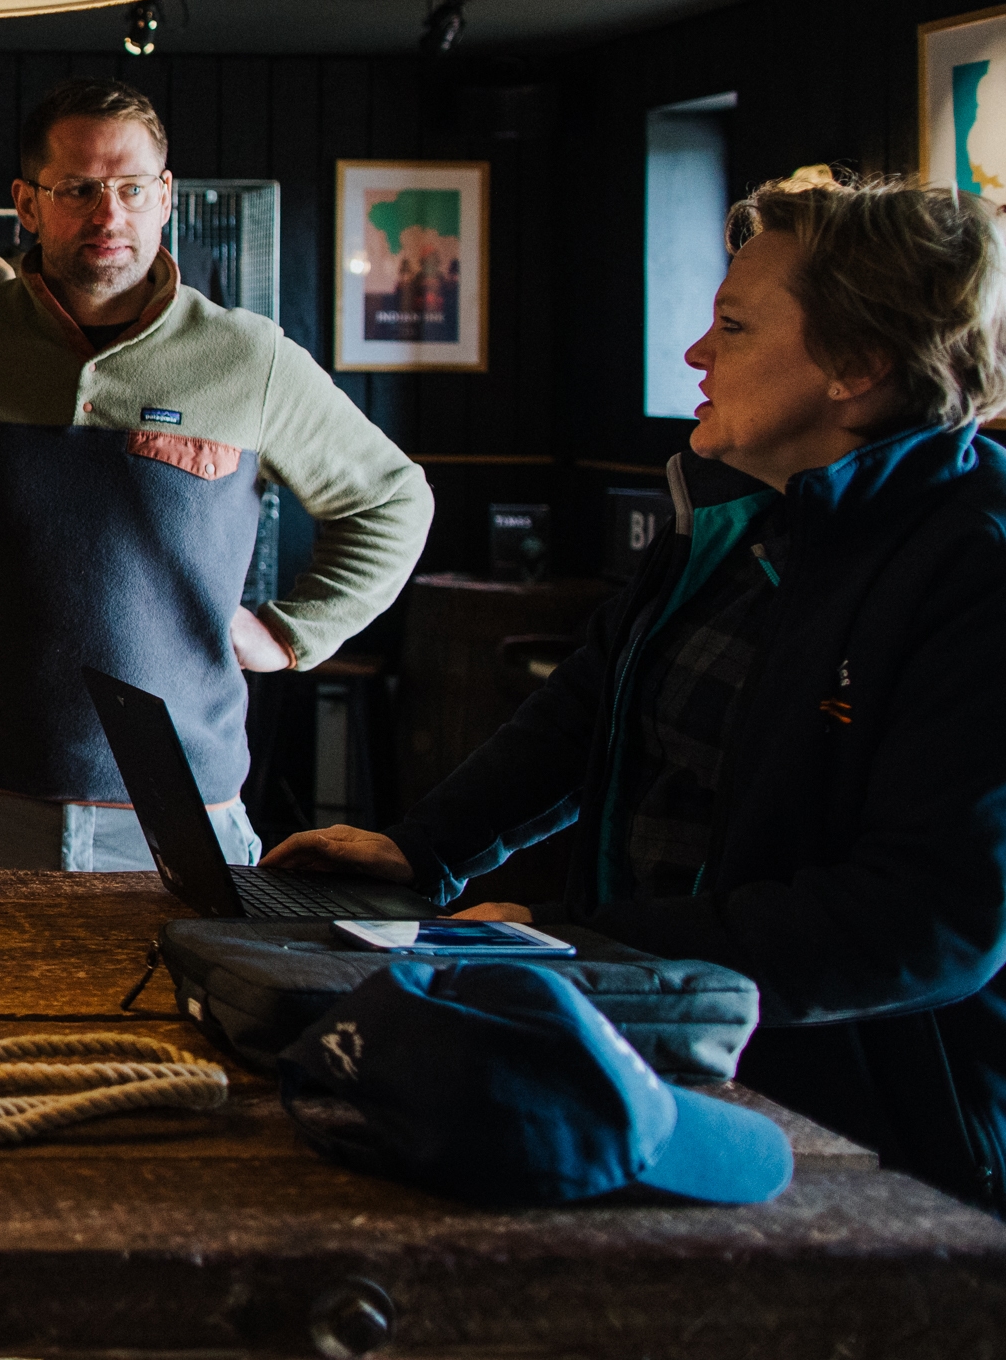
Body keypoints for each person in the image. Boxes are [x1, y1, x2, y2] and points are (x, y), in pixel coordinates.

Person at [269, 173, 1006, 1213]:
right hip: (671, 1062)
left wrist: (596, 943)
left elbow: (930, 924)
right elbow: (587, 713)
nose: (697, 354)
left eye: (733, 327)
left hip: (874, 1133)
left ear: (858, 364)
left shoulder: (974, 565)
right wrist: (422, 846)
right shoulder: (744, 519)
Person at [0, 77, 432, 871]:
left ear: (165, 196)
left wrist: (290, 632)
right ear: (27, 203)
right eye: (78, 189)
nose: (109, 214)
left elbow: (391, 499)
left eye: (132, 188)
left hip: (180, 811)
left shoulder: (249, 358)